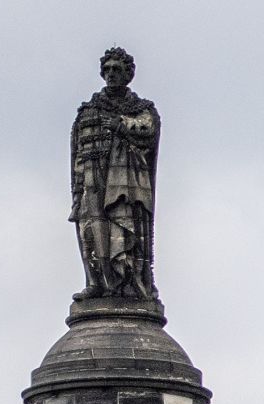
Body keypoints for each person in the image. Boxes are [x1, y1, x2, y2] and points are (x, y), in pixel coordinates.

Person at [69, 47, 159, 300]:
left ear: (128, 74)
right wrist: (77, 190)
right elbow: (76, 153)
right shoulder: (88, 112)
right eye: (107, 69)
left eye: (117, 69)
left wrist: (122, 126)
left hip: (124, 183)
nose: (111, 74)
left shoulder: (140, 109)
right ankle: (97, 281)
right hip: (91, 180)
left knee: (124, 231)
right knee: (92, 231)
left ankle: (128, 282)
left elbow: (148, 132)